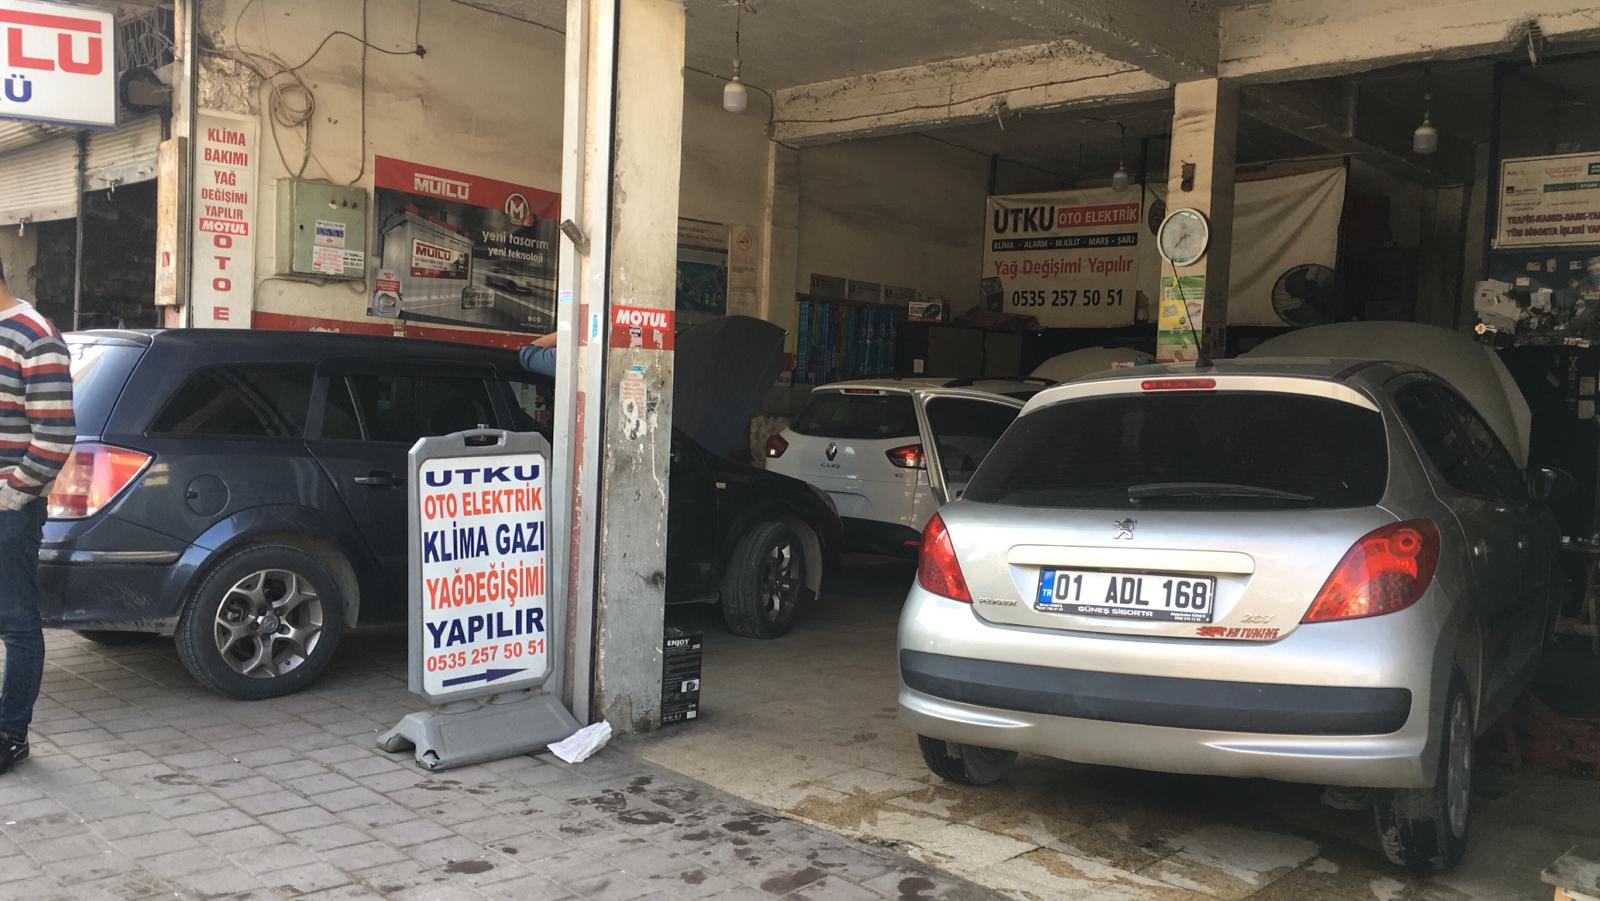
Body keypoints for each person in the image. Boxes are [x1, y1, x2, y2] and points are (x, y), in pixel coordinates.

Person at [0, 260, 75, 775]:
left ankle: (11, 734)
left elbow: (55, 435)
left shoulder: (34, 335)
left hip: (10, 512)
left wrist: (12, 495)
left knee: (16, 622)